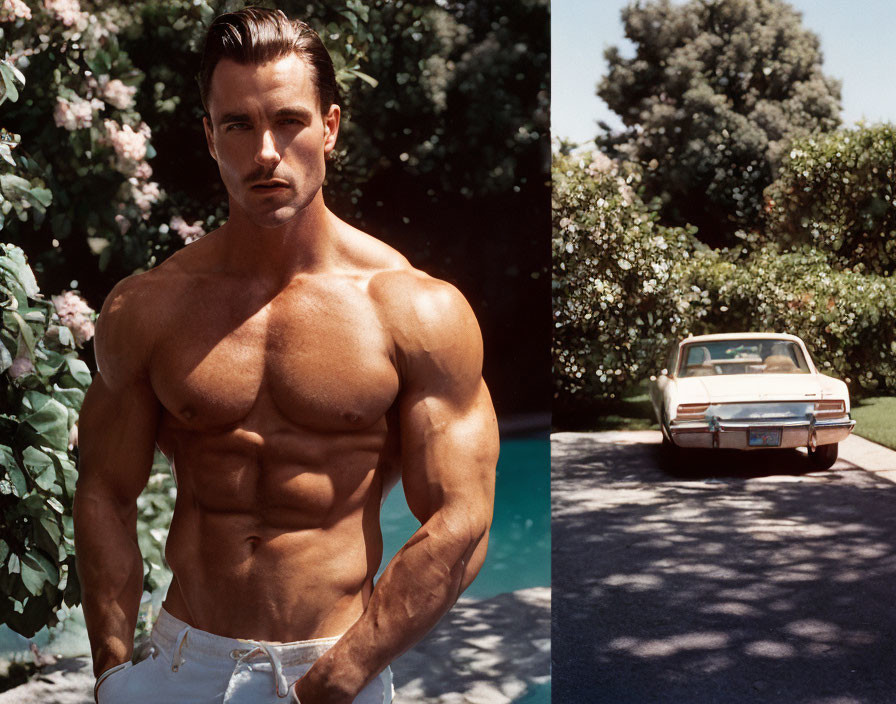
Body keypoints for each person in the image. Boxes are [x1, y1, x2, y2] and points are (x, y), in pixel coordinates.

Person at [72, 7, 498, 703]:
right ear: (210, 139)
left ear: (329, 128)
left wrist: (341, 677)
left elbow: (462, 518)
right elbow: (105, 493)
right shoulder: (150, 307)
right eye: (237, 125)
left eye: (289, 121)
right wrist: (114, 674)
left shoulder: (415, 310)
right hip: (180, 665)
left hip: (334, 666)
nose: (265, 152)